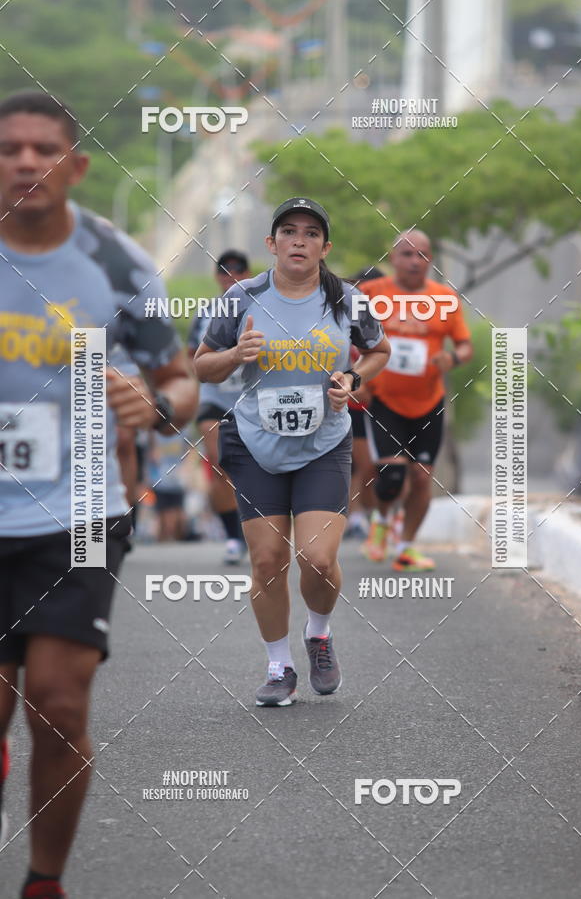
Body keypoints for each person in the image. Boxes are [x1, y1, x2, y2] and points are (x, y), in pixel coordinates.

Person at [0, 91, 197, 898]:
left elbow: (181, 384)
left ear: (74, 166)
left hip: (80, 511)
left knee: (56, 706)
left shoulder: (117, 265)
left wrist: (150, 406)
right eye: (8, 147)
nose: (23, 162)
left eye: (42, 148)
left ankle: (45, 881)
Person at [194, 197, 390, 707]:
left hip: (323, 443)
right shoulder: (241, 298)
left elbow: (380, 350)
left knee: (318, 560)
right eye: (288, 231)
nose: (298, 241)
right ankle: (279, 667)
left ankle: (318, 634)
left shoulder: (348, 301)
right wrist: (235, 354)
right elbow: (201, 366)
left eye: (309, 233)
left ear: (325, 247)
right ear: (272, 243)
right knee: (266, 560)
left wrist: (353, 377)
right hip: (254, 442)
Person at [360, 230, 473, 571]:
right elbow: (344, 338)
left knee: (422, 478)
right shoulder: (370, 294)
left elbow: (465, 346)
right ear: (393, 258)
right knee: (392, 477)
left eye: (421, 254)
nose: (414, 261)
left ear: (430, 260)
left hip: (428, 401)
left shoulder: (444, 298)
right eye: (407, 254)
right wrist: (356, 376)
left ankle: (406, 547)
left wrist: (452, 359)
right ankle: (381, 522)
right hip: (384, 400)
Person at [188, 251, 251, 564]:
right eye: (225, 271)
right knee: (221, 462)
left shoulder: (260, 307)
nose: (231, 276)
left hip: (251, 401)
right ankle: (231, 537)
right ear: (217, 276)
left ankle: (256, 528)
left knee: (255, 469)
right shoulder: (205, 313)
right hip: (215, 399)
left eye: (238, 271)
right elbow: (191, 357)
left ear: (247, 274)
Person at [344, 268, 384, 538]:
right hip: (353, 405)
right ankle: (357, 516)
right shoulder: (344, 321)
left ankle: (376, 515)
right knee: (357, 464)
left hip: (383, 405)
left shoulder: (388, 321)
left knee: (376, 466)